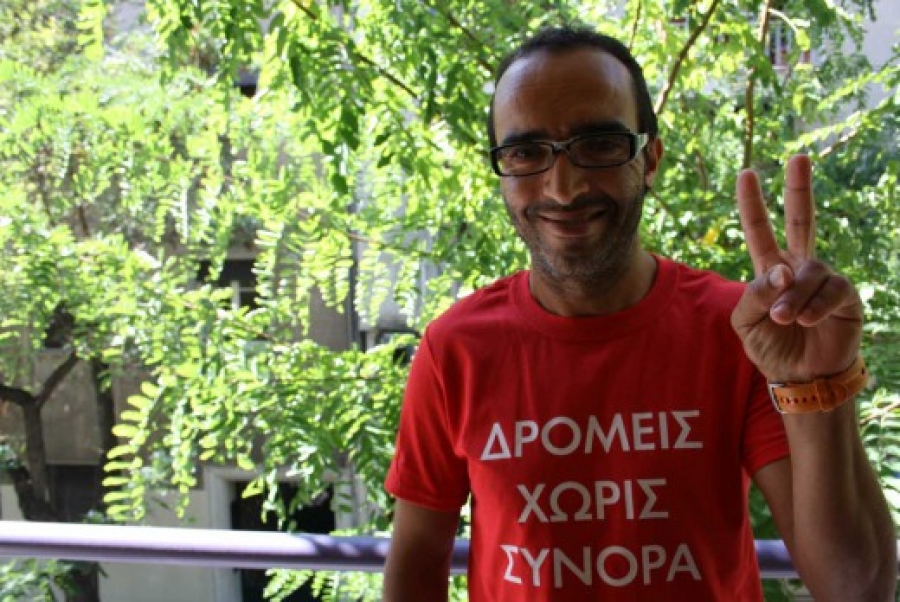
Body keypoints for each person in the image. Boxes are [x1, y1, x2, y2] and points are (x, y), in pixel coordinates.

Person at [382, 25, 897, 601]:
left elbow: (857, 588)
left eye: (600, 144)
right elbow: (416, 564)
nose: (563, 187)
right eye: (526, 152)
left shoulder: (746, 332)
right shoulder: (454, 348)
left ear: (649, 159)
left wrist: (818, 388)